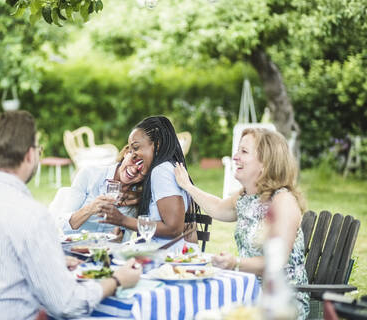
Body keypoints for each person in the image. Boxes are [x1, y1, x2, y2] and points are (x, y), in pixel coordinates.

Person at [0, 110, 141, 320]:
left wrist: (51, 261)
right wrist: (117, 280)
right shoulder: (31, 215)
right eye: (39, 149)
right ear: (29, 155)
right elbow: (68, 304)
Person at [174, 128, 309, 319]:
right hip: (247, 289)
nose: (235, 157)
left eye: (244, 152)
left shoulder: (283, 201)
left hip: (280, 302)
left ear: (266, 163)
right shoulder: (247, 196)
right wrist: (188, 186)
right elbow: (219, 208)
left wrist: (234, 263)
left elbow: (275, 263)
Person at [102, 115, 199, 250]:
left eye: (136, 147)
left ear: (157, 144)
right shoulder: (169, 167)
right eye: (130, 150)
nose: (133, 154)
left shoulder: (161, 171)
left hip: (168, 259)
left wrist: (123, 220)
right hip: (168, 256)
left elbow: (173, 228)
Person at [56, 145, 144, 239]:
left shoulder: (138, 197)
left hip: (108, 251)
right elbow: (62, 226)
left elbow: (125, 238)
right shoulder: (89, 174)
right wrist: (90, 209)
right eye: (134, 159)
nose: (134, 169)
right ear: (126, 153)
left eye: (142, 167)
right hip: (74, 248)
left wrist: (121, 235)